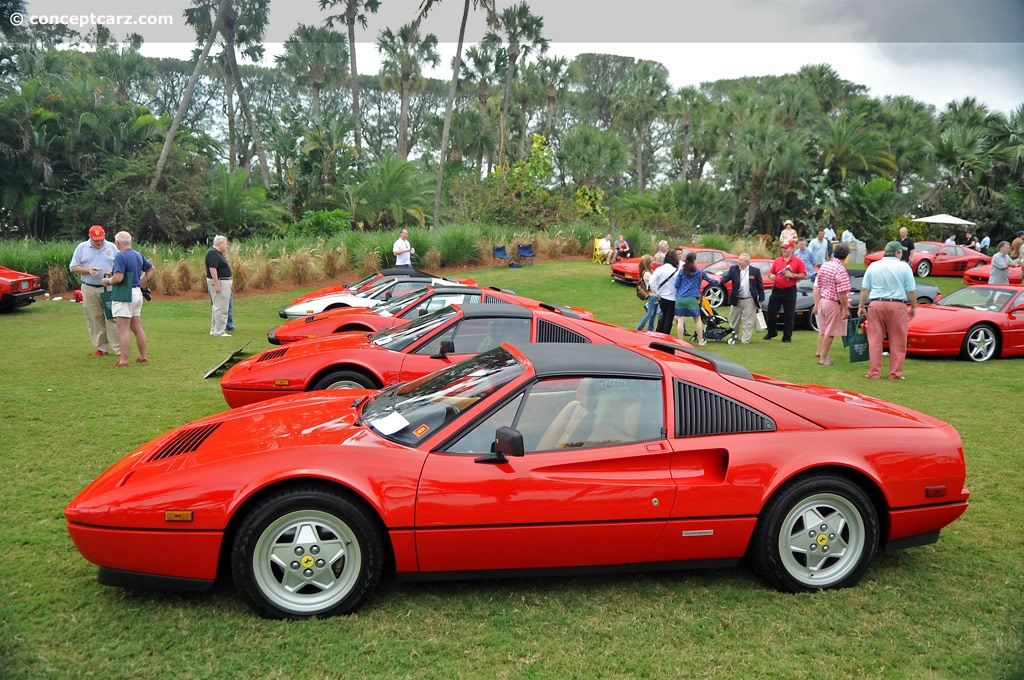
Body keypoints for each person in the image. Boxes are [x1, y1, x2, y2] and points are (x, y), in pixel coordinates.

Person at [857, 241, 917, 380]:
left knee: (874, 340)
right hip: (897, 305)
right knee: (898, 340)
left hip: (876, 304)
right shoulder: (904, 267)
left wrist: (861, 306)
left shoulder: (873, 266)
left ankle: (874, 372)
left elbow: (865, 289)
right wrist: (914, 307)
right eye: (901, 252)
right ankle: (895, 373)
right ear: (896, 253)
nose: (902, 254)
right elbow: (911, 291)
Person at [100, 231, 153, 368]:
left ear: (117, 243)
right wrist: (140, 283)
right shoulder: (137, 255)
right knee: (137, 327)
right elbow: (152, 269)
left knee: (123, 330)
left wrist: (107, 281)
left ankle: (123, 360)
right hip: (136, 292)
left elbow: (118, 277)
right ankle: (142, 356)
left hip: (123, 293)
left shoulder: (120, 256)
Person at [68, 225, 120, 357]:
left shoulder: (112, 247)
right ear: (89, 237)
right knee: (94, 318)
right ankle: (101, 348)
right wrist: (88, 270)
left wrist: (112, 271)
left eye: (101, 239)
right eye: (95, 239)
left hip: (109, 288)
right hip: (89, 288)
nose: (98, 242)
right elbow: (73, 267)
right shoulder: (82, 247)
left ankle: (119, 349)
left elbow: (121, 264)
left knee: (113, 318)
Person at [812, 243, 851, 366]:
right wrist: (845, 307)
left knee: (823, 330)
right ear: (845, 256)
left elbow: (819, 284)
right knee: (830, 332)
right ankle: (823, 358)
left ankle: (822, 353)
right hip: (833, 302)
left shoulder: (825, 265)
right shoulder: (840, 269)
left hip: (823, 300)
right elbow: (841, 292)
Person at [763, 240, 808, 343]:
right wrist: (772, 276)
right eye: (782, 248)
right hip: (777, 289)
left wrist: (793, 275)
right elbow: (770, 273)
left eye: (786, 248)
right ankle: (772, 332)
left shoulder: (797, 262)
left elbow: (804, 275)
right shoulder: (778, 260)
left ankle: (787, 337)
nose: (784, 250)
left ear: (792, 249)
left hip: (790, 290)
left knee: (789, 314)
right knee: (771, 312)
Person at [674, 251, 721, 345]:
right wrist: (718, 281)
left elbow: (676, 284)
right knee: (697, 319)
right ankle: (700, 340)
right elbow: (711, 281)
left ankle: (680, 341)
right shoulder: (700, 272)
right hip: (692, 298)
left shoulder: (682, 271)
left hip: (680, 298)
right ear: (694, 260)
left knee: (680, 319)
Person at [724, 252, 764, 344]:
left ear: (747, 262)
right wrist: (719, 281)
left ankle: (745, 339)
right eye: (738, 260)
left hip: (749, 299)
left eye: (741, 260)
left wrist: (761, 298)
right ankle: (734, 335)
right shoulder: (733, 269)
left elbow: (759, 285)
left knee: (748, 321)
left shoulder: (755, 271)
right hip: (736, 299)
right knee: (734, 319)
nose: (739, 262)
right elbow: (726, 278)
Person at [206, 235, 233, 337]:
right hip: (221, 282)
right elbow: (212, 269)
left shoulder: (217, 253)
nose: (226, 246)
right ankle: (219, 331)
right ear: (219, 243)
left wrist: (224, 251)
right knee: (221, 307)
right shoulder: (212, 253)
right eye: (225, 244)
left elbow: (222, 260)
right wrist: (217, 284)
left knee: (217, 306)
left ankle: (214, 329)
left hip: (223, 281)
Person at [651, 250, 680, 335]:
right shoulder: (676, 271)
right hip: (672, 298)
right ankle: (665, 334)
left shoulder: (659, 269)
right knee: (669, 318)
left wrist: (657, 292)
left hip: (662, 297)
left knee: (663, 315)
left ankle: (659, 332)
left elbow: (652, 282)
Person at [635, 254, 660, 331]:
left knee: (653, 314)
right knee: (650, 313)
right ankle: (639, 328)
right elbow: (654, 282)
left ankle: (651, 328)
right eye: (651, 261)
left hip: (654, 294)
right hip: (652, 295)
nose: (652, 262)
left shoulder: (650, 271)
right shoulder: (647, 273)